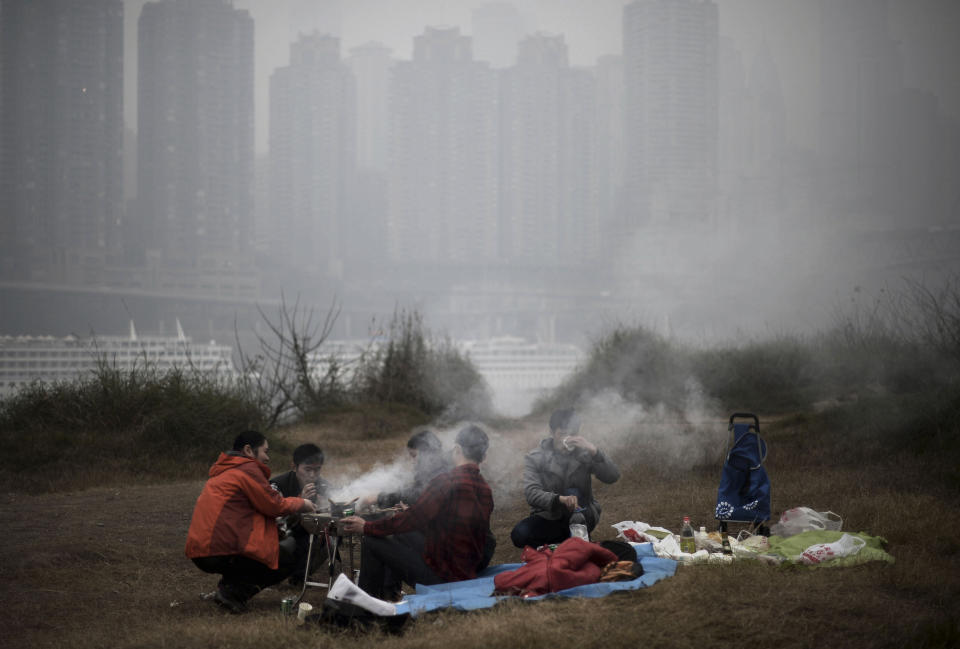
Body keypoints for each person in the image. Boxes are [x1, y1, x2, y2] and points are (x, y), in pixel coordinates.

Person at [340, 424, 494, 600]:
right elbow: (458, 528)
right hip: (467, 572)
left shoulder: (446, 481)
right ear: (484, 456)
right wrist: (415, 515)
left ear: (457, 449)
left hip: (441, 578)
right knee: (399, 533)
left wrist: (366, 526)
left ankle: (367, 608)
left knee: (371, 540)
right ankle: (387, 595)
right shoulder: (485, 488)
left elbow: (411, 520)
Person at [185, 431, 316, 613]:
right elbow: (274, 505)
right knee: (285, 555)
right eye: (265, 451)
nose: (267, 458)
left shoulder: (226, 470)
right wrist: (303, 503)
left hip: (200, 548)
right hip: (217, 548)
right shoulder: (247, 469)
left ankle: (227, 588)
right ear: (248, 450)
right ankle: (233, 594)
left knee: (268, 544)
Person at [510, 408, 620, 549]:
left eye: (572, 434)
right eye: (562, 434)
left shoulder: (585, 454)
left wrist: (594, 451)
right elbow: (531, 493)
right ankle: (559, 544)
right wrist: (559, 499)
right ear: (552, 432)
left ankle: (578, 540)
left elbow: (612, 477)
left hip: (582, 513)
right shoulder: (535, 457)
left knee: (578, 524)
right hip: (549, 515)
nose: (567, 439)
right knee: (520, 534)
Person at [269, 443, 333, 583]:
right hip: (282, 536)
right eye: (307, 469)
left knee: (330, 540)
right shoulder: (277, 485)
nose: (312, 475)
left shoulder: (324, 486)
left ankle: (301, 575)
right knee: (288, 543)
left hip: (310, 533)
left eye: (317, 470)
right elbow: (275, 524)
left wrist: (327, 507)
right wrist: (300, 502)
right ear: (294, 466)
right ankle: (274, 573)